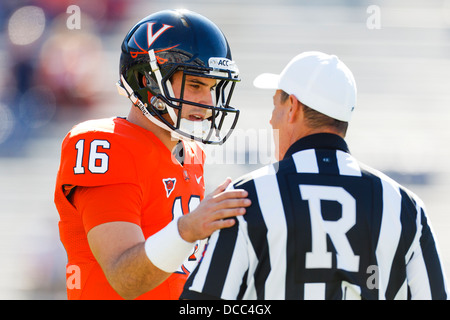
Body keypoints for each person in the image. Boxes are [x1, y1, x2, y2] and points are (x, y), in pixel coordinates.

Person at [180, 51, 448, 300]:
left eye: (275, 106)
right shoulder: (406, 207)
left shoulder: (244, 198)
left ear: (292, 107)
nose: (271, 120)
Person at [54, 9, 251, 300]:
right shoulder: (104, 143)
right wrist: (188, 229)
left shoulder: (192, 153)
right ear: (148, 81)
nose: (208, 104)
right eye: (195, 85)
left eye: (212, 88)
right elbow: (125, 278)